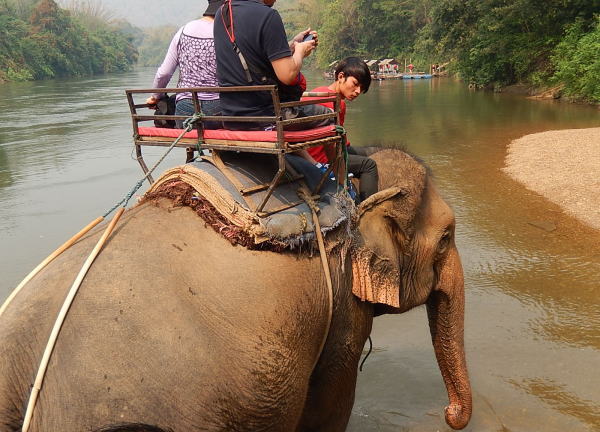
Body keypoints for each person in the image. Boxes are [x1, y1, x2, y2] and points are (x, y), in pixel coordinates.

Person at [213, 0, 333, 131]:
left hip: (231, 115)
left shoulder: (223, 13)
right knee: (330, 114)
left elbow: (254, 55)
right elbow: (287, 75)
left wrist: (292, 45)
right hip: (267, 115)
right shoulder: (268, 15)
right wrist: (300, 51)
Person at [303, 57, 378, 201]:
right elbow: (333, 148)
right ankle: (368, 207)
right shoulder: (336, 103)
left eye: (362, 88)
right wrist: (342, 179)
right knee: (369, 165)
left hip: (315, 151)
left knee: (370, 151)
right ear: (341, 76)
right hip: (322, 157)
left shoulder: (318, 92)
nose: (358, 91)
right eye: (355, 84)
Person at [145, 0, 224, 129]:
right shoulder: (227, 33)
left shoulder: (184, 30)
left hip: (185, 109)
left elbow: (164, 73)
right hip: (219, 109)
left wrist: (155, 97)